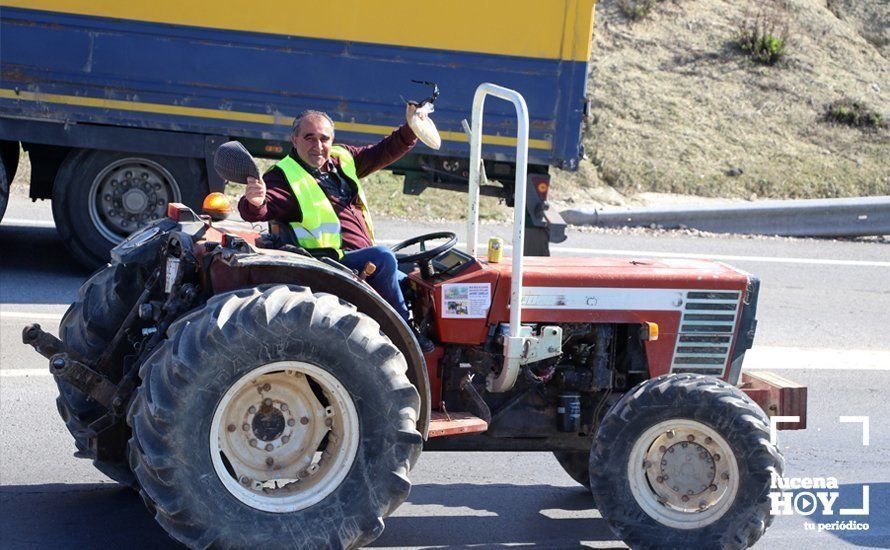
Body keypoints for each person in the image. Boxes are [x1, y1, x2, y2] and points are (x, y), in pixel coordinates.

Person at [238, 107, 434, 350]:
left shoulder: (342, 159)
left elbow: (382, 152)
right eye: (309, 137)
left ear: (332, 140)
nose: (317, 146)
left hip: (358, 257)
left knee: (418, 279)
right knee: (384, 258)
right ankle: (407, 338)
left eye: (324, 139)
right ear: (294, 139)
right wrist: (254, 202)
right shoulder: (283, 177)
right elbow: (259, 208)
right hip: (329, 265)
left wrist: (411, 128)